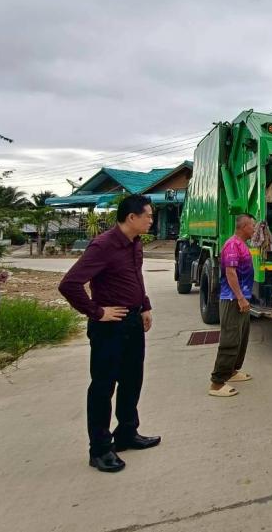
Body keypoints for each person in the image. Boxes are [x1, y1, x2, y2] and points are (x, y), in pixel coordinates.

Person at [58, 194, 161, 473]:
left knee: (132, 380)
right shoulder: (103, 245)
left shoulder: (134, 244)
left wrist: (145, 306)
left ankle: (127, 433)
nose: (151, 220)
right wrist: (97, 312)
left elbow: (136, 277)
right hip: (109, 328)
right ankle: (100, 449)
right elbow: (69, 284)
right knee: (103, 387)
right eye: (148, 215)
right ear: (132, 218)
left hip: (132, 322)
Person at [209, 214, 257, 397]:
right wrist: (240, 298)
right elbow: (230, 273)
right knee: (230, 339)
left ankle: (232, 371)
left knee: (241, 337)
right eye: (252, 225)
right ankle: (217, 382)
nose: (254, 229)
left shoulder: (242, 244)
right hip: (232, 299)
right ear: (243, 226)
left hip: (241, 297)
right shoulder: (232, 245)